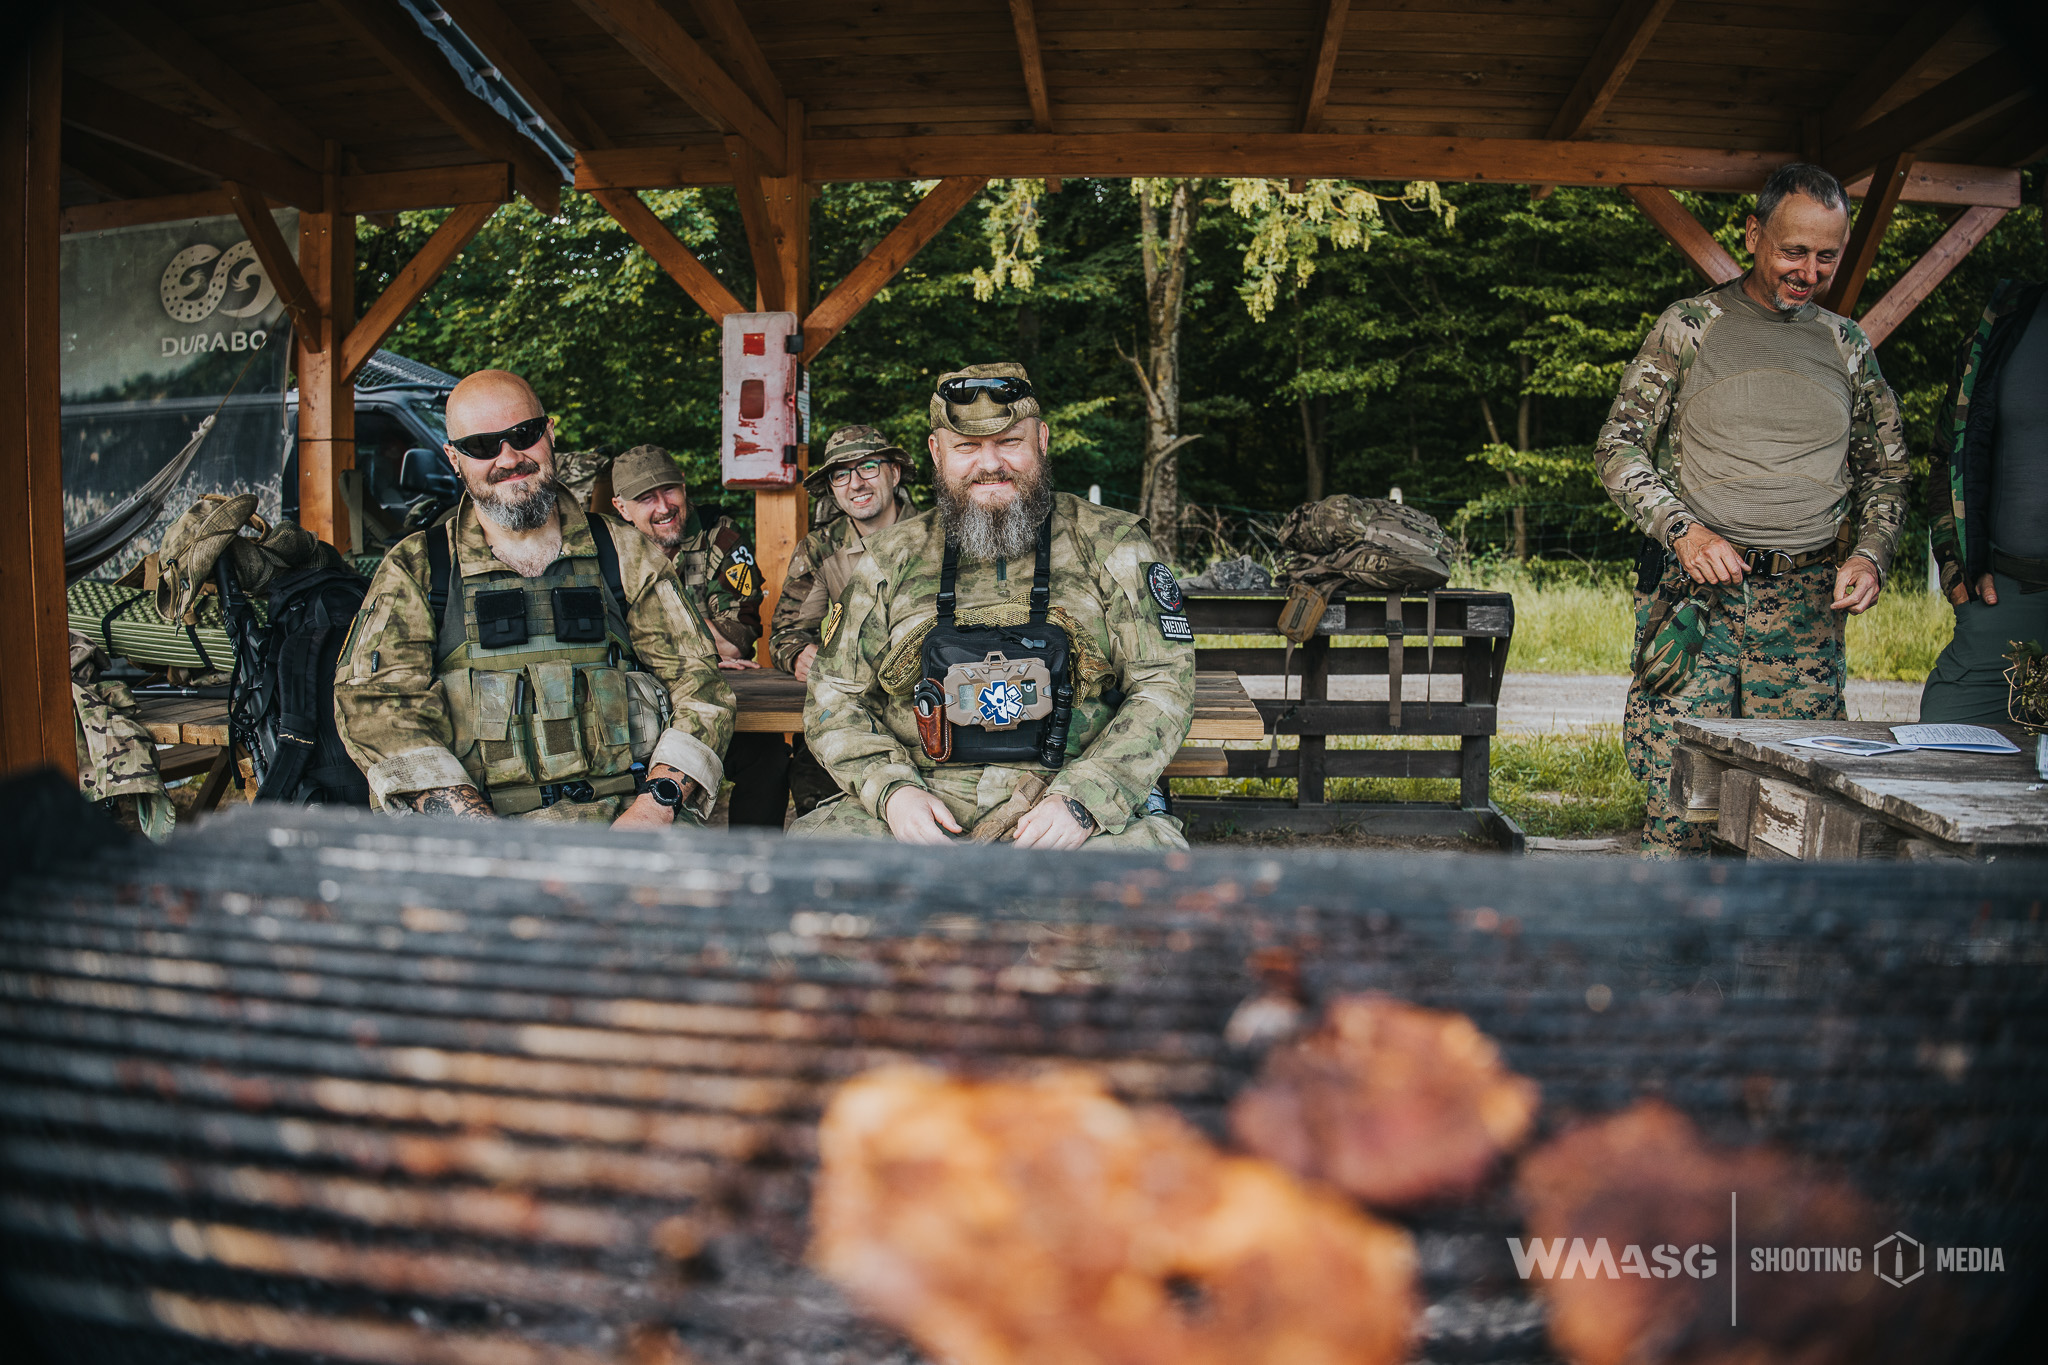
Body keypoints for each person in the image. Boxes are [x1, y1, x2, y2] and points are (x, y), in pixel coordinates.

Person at [1593, 163, 1909, 856]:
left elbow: (1885, 471)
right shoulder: (1689, 327)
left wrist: (1871, 553)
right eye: (1794, 251)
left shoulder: (1847, 345)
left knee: (1797, 819)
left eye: (1827, 256)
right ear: (1753, 234)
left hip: (1806, 612)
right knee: (1680, 810)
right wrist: (1682, 529)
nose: (1809, 272)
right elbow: (1617, 447)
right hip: (1697, 605)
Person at [793, 363, 1195, 848]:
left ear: (1041, 441)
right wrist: (892, 792)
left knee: (1145, 879)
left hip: (1067, 803)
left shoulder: (1111, 545)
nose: (989, 464)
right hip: (923, 805)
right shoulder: (890, 558)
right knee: (812, 864)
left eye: (1009, 442)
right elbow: (834, 697)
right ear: (937, 452)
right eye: (967, 447)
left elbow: (1163, 685)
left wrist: (1087, 798)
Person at [335, 370, 734, 827]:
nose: (509, 458)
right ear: (454, 458)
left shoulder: (624, 551)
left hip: (630, 825)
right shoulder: (420, 568)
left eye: (524, 434)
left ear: (549, 433)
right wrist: (481, 833)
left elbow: (700, 685)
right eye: (482, 445)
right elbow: (376, 708)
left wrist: (655, 807)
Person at [606, 442, 791, 827]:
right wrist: (701, 636)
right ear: (621, 508)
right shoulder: (605, 550)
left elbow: (736, 642)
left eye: (669, 490)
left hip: (705, 694)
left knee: (768, 753)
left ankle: (753, 858)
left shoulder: (719, 536)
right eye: (646, 498)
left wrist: (645, 620)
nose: (664, 506)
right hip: (629, 702)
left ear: (684, 487)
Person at [769, 424, 917, 816]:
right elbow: (786, 631)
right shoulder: (821, 548)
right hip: (856, 708)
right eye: (840, 474)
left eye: (868, 467)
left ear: (894, 473)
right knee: (811, 782)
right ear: (832, 489)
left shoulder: (939, 534)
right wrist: (798, 653)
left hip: (930, 703)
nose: (856, 483)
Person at [1921, 277, 2048, 726]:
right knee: (1940, 741)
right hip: (2008, 595)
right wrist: (1956, 567)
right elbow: (1946, 456)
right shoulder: (2005, 322)